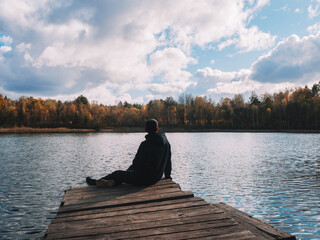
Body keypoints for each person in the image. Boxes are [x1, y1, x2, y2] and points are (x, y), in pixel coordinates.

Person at [86, 118, 172, 187]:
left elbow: (136, 163)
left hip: (145, 179)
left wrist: (131, 171)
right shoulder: (167, 143)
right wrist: (167, 176)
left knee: (118, 173)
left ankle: (97, 182)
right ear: (157, 128)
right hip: (156, 178)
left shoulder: (145, 144)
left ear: (145, 129)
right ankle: (114, 182)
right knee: (128, 171)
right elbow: (168, 161)